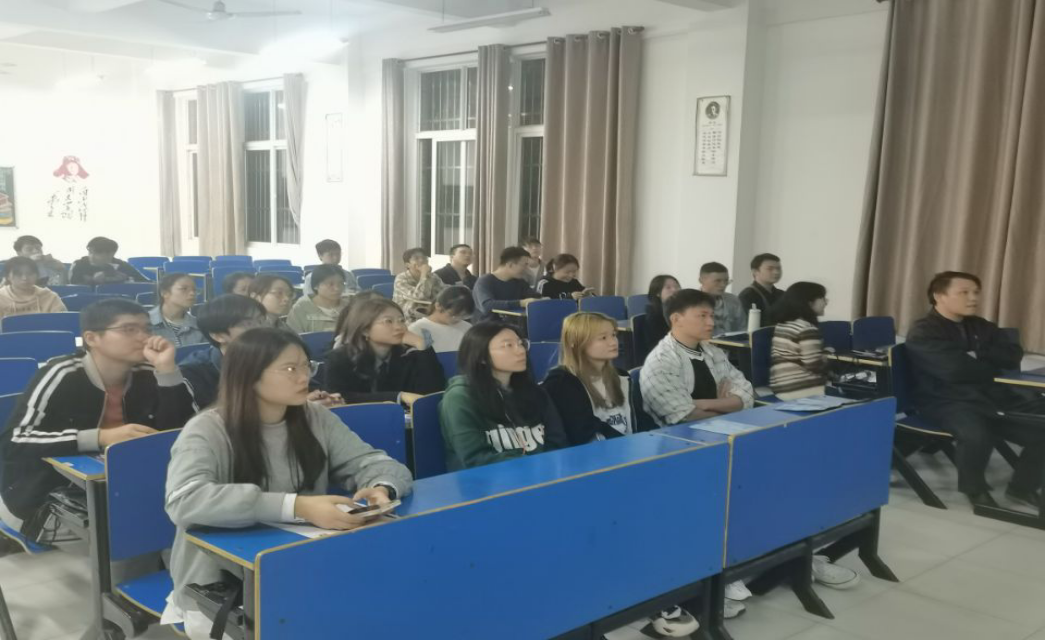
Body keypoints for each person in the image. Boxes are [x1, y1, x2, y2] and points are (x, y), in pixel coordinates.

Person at [162, 327, 412, 639]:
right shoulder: (207, 429)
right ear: (249, 375)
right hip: (223, 590)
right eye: (290, 369)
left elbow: (374, 462)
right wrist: (297, 506)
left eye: (307, 366)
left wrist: (382, 487)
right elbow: (185, 501)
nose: (304, 377)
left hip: (304, 567)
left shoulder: (314, 417)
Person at [641, 289, 857, 601]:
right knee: (753, 489)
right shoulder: (661, 362)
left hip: (726, 437)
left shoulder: (711, 351)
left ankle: (798, 558)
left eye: (711, 315)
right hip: (684, 450)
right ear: (677, 319)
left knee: (790, 478)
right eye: (702, 315)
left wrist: (711, 402)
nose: (711, 322)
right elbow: (684, 415)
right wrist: (725, 403)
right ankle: (739, 566)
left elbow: (744, 393)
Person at [0, 299, 195, 529]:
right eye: (129, 329)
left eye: (147, 329)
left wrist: (168, 371)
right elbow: (13, 441)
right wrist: (100, 437)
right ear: (92, 338)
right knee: (136, 531)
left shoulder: (151, 372)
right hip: (53, 494)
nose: (144, 337)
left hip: (129, 483)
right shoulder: (61, 374)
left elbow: (185, 432)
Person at [906, 271, 1045, 509]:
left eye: (976, 292)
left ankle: (1022, 488)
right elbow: (954, 370)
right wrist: (989, 365)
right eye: (964, 292)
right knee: (976, 434)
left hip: (988, 395)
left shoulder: (980, 325)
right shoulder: (924, 331)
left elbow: (1012, 356)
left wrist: (978, 354)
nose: (973, 298)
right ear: (939, 296)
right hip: (944, 400)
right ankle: (975, 490)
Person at [439, 322, 568, 471]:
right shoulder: (459, 398)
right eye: (508, 345)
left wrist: (547, 468)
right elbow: (475, 458)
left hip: (544, 475)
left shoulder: (534, 392)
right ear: (481, 357)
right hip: (488, 481)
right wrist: (534, 466)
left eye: (521, 343)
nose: (521, 351)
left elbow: (558, 441)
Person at [182, 295, 343, 410]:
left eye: (261, 321)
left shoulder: (278, 356)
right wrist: (292, 407)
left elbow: (310, 389)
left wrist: (321, 399)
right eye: (248, 324)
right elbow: (207, 423)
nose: (261, 329)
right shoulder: (195, 372)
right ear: (218, 335)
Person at [543, 312, 654, 445]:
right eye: (603, 338)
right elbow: (583, 432)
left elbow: (641, 420)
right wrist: (629, 445)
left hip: (628, 448)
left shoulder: (622, 377)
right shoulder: (561, 383)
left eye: (613, 335)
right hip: (596, 454)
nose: (613, 342)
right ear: (575, 342)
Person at [324, 297, 445, 407]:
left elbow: (432, 393)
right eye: (388, 321)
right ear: (365, 330)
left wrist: (423, 347)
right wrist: (399, 396)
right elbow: (340, 397)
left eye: (401, 320)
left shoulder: (410, 354)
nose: (399, 327)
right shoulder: (339, 358)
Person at [770, 282, 830, 400]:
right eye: (823, 298)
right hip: (805, 390)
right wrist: (827, 358)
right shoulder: (807, 329)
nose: (826, 302)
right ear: (809, 302)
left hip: (781, 388)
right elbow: (814, 366)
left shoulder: (782, 325)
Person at [472, 246, 540, 322]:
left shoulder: (520, 282)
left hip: (513, 325)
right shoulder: (485, 281)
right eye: (525, 265)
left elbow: (534, 296)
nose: (527, 268)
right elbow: (487, 305)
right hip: (488, 326)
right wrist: (520, 303)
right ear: (510, 265)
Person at [408, 286, 474, 353]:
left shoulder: (468, 328)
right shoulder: (417, 329)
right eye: (453, 315)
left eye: (463, 316)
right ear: (438, 306)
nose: (458, 319)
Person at [287, 264, 350, 334]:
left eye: (341, 283)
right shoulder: (300, 308)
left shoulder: (350, 307)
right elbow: (292, 337)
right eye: (330, 284)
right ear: (316, 286)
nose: (337, 288)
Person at [0, 257, 67, 320]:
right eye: (18, 274)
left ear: (37, 275)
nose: (24, 278)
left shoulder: (50, 297)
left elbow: (63, 322)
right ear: (7, 276)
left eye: (30, 274)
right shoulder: (1, 297)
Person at [149, 273, 205, 347]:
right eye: (184, 289)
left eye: (194, 290)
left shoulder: (199, 325)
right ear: (164, 293)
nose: (192, 293)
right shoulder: (146, 323)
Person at [393, 247, 445, 322]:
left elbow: (443, 293)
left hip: (428, 313)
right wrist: (424, 275)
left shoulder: (433, 276)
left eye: (424, 258)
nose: (421, 260)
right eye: (416, 258)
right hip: (406, 317)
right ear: (407, 265)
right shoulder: (401, 278)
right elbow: (420, 297)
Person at [69, 236, 148, 285]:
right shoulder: (79, 264)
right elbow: (72, 286)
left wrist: (125, 279)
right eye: (90, 252)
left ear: (111, 254)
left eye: (97, 253)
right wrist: (93, 281)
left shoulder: (122, 266)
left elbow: (146, 284)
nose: (92, 256)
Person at [698, 262, 745, 335]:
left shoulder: (733, 300)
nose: (723, 285)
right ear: (701, 280)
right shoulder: (691, 303)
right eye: (718, 281)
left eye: (726, 281)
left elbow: (742, 328)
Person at [738, 253, 783, 326]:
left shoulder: (783, 294)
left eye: (778, 268)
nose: (776, 272)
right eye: (770, 269)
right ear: (755, 271)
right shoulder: (747, 295)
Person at [644, 275, 681, 352]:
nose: (674, 290)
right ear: (657, 293)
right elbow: (658, 344)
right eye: (668, 287)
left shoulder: (682, 310)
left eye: (677, 287)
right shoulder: (654, 315)